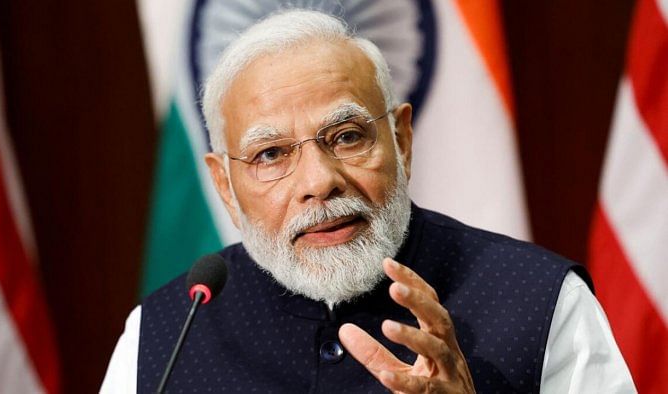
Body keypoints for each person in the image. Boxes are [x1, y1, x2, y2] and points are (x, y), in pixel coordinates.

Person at [102, 9, 635, 393]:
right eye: (270, 154)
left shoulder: (540, 301)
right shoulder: (163, 334)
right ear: (223, 183)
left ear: (401, 139)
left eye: (347, 136)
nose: (319, 181)